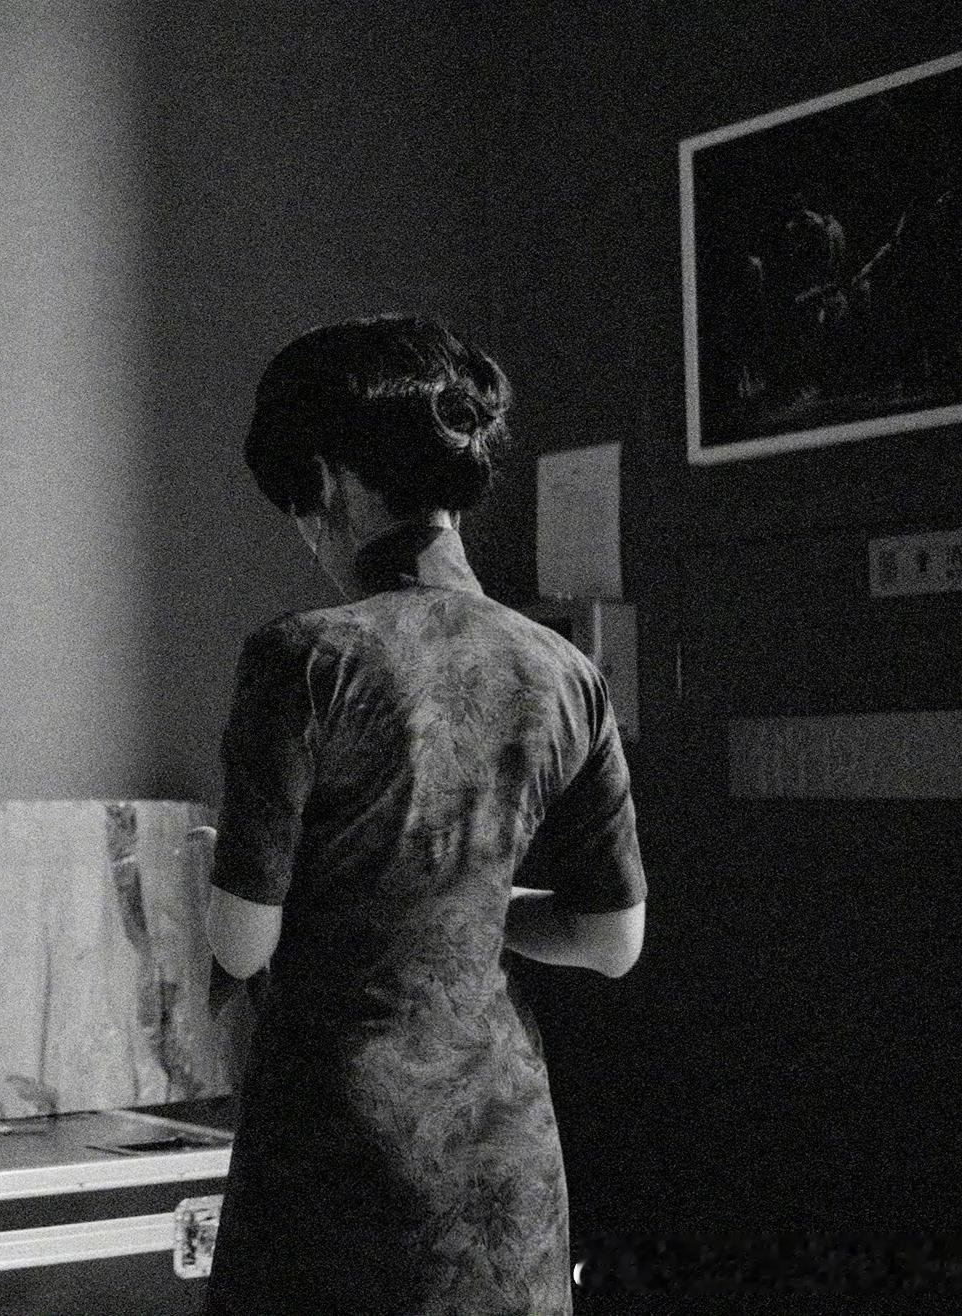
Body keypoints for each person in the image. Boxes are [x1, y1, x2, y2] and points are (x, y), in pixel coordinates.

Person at [202, 314, 646, 1315]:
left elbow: (240, 940)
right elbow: (611, 940)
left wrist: (210, 872)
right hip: (505, 1165)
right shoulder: (565, 672)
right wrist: (466, 909)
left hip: (339, 1161)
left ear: (329, 481)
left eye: (298, 502)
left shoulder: (304, 659)